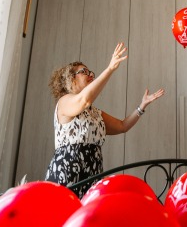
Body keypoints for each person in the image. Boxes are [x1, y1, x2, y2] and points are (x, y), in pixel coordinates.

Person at [45, 42, 165, 197]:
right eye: (84, 71)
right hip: (68, 168)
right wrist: (110, 69)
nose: (90, 75)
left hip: (93, 170)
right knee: (66, 216)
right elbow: (84, 101)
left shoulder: (94, 113)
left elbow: (123, 126)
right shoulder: (64, 101)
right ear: (71, 78)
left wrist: (141, 106)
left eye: (91, 72)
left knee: (89, 218)